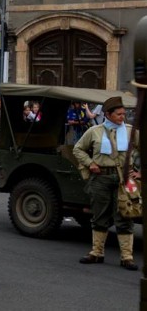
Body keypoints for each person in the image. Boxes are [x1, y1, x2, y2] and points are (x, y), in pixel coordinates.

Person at [73, 96, 140, 271]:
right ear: (108, 114)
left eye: (124, 114)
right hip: (101, 177)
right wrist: (90, 163)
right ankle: (96, 252)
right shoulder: (94, 131)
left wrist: (139, 171)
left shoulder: (131, 131)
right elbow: (77, 149)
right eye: (118, 114)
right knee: (99, 215)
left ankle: (127, 257)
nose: (122, 117)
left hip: (124, 179)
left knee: (125, 216)